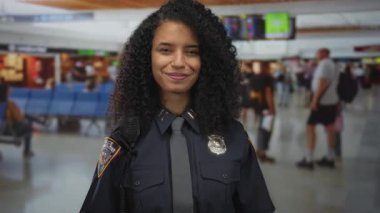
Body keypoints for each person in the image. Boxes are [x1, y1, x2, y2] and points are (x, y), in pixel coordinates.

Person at [80, 1, 275, 212]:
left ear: (208, 60)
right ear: (148, 57)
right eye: (165, 50)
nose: (179, 62)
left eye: (192, 52)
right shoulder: (125, 140)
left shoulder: (233, 136)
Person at [297, 48, 339, 170]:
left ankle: (309, 159)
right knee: (330, 128)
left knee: (310, 127)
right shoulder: (334, 64)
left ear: (324, 53)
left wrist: (314, 101)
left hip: (322, 102)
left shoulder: (325, 64)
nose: (316, 54)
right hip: (331, 101)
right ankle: (330, 157)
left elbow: (322, 83)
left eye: (318, 52)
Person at [249, 62, 276, 163]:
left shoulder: (254, 78)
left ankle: (259, 150)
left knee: (261, 129)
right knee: (266, 130)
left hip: (258, 107)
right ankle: (262, 152)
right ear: (266, 67)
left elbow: (252, 93)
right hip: (266, 108)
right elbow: (268, 93)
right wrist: (272, 108)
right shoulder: (268, 78)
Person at [0, 84, 34, 157]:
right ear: (5, 92)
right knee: (28, 125)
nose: (11, 90)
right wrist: (22, 115)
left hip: (2, 128)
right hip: (7, 130)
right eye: (9, 89)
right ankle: (27, 151)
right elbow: (19, 118)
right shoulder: (10, 104)